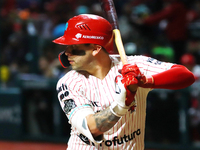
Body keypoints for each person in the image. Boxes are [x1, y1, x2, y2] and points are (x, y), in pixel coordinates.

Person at [53, 14, 195, 150]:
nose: (67, 53)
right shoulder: (69, 82)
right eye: (67, 47)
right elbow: (91, 127)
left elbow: (186, 75)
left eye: (74, 47)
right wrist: (122, 104)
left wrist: (145, 81)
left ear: (96, 49)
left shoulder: (134, 64)